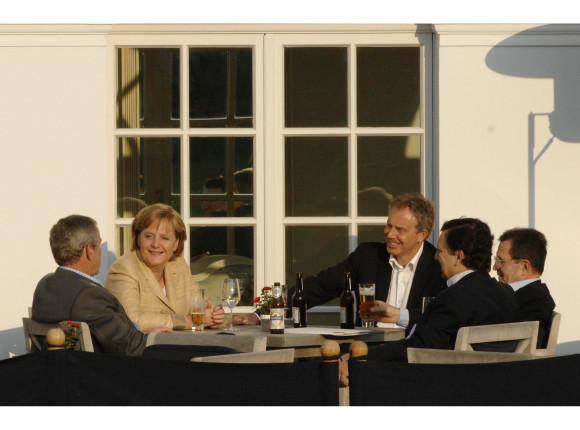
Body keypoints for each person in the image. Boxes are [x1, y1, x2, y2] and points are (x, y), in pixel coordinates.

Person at [339, 217, 518, 384]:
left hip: (444, 391)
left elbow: (416, 348)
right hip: (497, 388)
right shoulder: (507, 294)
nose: (435, 257)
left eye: (440, 251)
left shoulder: (454, 298)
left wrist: (360, 357)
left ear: (458, 256)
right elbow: (439, 330)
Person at [287, 192, 447, 330]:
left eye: (400, 229)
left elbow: (444, 315)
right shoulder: (368, 256)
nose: (390, 234)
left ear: (422, 235)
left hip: (414, 357)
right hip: (367, 352)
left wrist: (399, 316)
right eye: (389, 225)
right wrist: (269, 309)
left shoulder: (439, 266)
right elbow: (321, 286)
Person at [32, 215, 172, 356]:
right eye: (99, 245)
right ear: (89, 250)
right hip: (100, 373)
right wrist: (156, 339)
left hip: (59, 370)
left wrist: (142, 335)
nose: (100, 251)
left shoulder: (45, 285)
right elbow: (129, 347)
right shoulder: (87, 295)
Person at [105, 203, 225, 332]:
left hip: (178, 344)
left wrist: (214, 316)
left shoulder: (178, 264)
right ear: (138, 238)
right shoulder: (124, 268)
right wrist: (188, 321)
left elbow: (199, 306)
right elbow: (131, 319)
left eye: (165, 238)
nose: (156, 244)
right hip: (142, 349)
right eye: (148, 236)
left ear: (176, 243)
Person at [494, 227, 556, 347]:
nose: (495, 267)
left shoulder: (536, 300)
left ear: (524, 267)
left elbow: (515, 346)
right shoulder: (514, 294)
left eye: (500, 261)